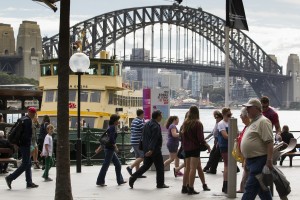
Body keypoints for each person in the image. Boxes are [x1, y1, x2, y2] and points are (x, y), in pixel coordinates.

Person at [241, 98, 273, 200]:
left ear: (256, 108)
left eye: (249, 108)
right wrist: (246, 159)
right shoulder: (253, 122)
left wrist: (269, 160)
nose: (247, 110)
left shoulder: (263, 121)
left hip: (259, 161)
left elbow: (269, 142)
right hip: (252, 161)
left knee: (249, 189)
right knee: (262, 189)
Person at [129, 110, 169, 189]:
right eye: (161, 115)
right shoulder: (156, 126)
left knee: (146, 166)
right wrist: (151, 149)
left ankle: (133, 177)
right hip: (154, 150)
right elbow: (154, 138)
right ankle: (160, 184)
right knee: (160, 166)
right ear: (157, 116)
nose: (161, 117)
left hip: (146, 149)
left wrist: (145, 148)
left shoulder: (147, 124)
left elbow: (143, 137)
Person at [5, 107, 39, 189]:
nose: (33, 115)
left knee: (28, 163)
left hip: (23, 145)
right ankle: (10, 178)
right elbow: (26, 136)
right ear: (32, 113)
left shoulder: (22, 118)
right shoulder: (28, 121)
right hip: (25, 145)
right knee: (25, 164)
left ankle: (29, 182)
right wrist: (29, 145)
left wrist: (17, 144)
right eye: (33, 113)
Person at [181, 106, 210, 195]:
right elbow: (201, 138)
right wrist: (207, 145)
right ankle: (191, 188)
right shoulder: (198, 123)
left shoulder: (185, 123)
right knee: (193, 168)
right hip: (194, 148)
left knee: (187, 168)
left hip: (186, 148)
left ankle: (184, 187)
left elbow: (181, 136)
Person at [96, 114, 126, 186]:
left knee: (117, 164)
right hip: (110, 149)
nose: (118, 122)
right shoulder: (113, 127)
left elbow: (107, 138)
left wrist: (100, 148)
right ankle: (100, 181)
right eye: (117, 120)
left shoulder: (110, 127)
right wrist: (115, 147)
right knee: (106, 165)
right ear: (115, 121)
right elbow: (112, 139)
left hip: (109, 149)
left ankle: (120, 180)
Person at [126, 109, 146, 177]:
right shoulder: (140, 121)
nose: (144, 115)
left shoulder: (134, 120)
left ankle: (138, 173)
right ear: (142, 114)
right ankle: (130, 167)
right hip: (138, 141)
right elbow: (144, 130)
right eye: (143, 114)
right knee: (143, 156)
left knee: (137, 156)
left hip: (133, 140)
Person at [217, 107, 232, 194]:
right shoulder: (221, 124)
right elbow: (225, 136)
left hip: (230, 145)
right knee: (227, 164)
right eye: (228, 115)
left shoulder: (230, 122)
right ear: (223, 115)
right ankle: (225, 184)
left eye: (231, 115)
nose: (230, 116)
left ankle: (226, 184)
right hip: (224, 145)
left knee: (229, 165)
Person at [203, 110, 223, 174]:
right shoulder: (217, 123)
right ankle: (209, 168)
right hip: (217, 141)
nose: (216, 119)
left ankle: (211, 169)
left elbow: (219, 133)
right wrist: (207, 137)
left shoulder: (221, 124)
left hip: (219, 141)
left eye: (217, 117)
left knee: (215, 156)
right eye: (215, 117)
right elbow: (213, 132)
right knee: (213, 155)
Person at [236, 107, 250, 193]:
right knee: (246, 172)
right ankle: (243, 188)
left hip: (249, 156)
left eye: (241, 115)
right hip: (245, 155)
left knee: (248, 173)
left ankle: (243, 188)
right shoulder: (247, 126)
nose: (240, 117)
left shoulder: (250, 126)